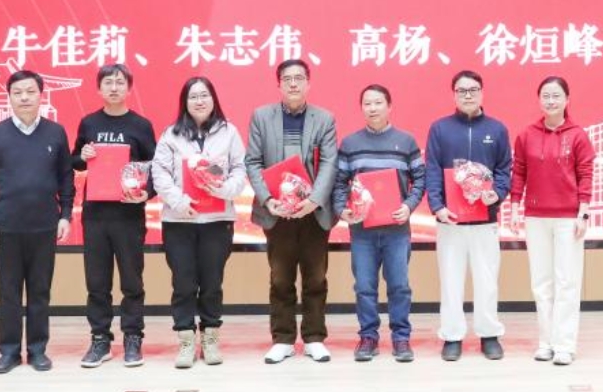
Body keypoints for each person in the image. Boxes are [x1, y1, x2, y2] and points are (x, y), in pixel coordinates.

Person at [0, 69, 75, 374]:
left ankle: (37, 350)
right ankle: (9, 352)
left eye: (30, 91)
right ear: (9, 97)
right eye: (17, 93)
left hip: (45, 226)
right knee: (9, 293)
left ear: (40, 95)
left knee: (40, 292)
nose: (24, 98)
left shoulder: (55, 133)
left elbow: (66, 178)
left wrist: (65, 215)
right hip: (7, 227)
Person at [245, 58, 339, 364]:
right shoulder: (261, 116)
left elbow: (330, 163)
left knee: (316, 278)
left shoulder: (324, 119)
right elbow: (252, 161)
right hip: (277, 212)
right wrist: (267, 199)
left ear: (308, 83)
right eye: (287, 79)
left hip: (313, 213)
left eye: (299, 78)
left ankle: (314, 338)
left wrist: (314, 199)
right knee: (280, 278)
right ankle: (283, 339)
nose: (294, 83)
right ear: (279, 84)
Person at [151, 76, 247, 370]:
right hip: (179, 221)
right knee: (183, 282)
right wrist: (179, 201)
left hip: (217, 221)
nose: (199, 101)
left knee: (211, 283)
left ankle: (210, 337)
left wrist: (222, 189)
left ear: (213, 99)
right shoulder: (171, 134)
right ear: (185, 102)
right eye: (193, 96)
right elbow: (159, 173)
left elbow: (239, 169)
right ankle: (185, 340)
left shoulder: (229, 132)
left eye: (204, 95)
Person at [70, 63, 157, 369]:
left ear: (129, 88)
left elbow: (155, 168)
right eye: (108, 82)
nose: (114, 87)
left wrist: (148, 192)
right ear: (99, 88)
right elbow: (75, 161)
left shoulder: (141, 125)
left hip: (129, 215)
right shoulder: (89, 122)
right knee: (97, 282)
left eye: (120, 82)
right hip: (95, 215)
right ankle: (100, 339)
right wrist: (82, 156)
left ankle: (133, 337)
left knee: (132, 281)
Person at [332, 83, 425, 362]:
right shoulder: (350, 144)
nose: (372, 108)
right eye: (367, 103)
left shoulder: (406, 141)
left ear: (389, 106)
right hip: (362, 231)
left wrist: (408, 206)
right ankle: (368, 337)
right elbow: (339, 183)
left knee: (399, 286)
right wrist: (342, 209)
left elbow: (420, 180)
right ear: (361, 108)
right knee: (364, 287)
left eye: (378, 103)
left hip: (397, 230)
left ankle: (401, 338)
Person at [423, 68, 512, 362]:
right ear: (454, 95)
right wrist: (438, 206)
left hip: (485, 219)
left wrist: (496, 193)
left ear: (482, 93)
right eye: (461, 90)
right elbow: (432, 170)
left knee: (488, 280)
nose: (468, 95)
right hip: (450, 220)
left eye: (473, 89)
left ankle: (489, 334)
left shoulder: (497, 129)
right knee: (450, 281)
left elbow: (504, 170)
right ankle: (452, 336)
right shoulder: (440, 129)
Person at [510, 75, 597, 366]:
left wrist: (583, 213)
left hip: (568, 219)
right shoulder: (527, 135)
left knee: (567, 281)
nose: (551, 101)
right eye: (546, 96)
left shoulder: (578, 135)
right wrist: (514, 207)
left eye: (556, 95)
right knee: (541, 283)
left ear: (567, 100)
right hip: (535, 217)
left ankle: (565, 345)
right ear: (539, 100)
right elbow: (519, 173)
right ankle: (545, 342)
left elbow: (586, 175)